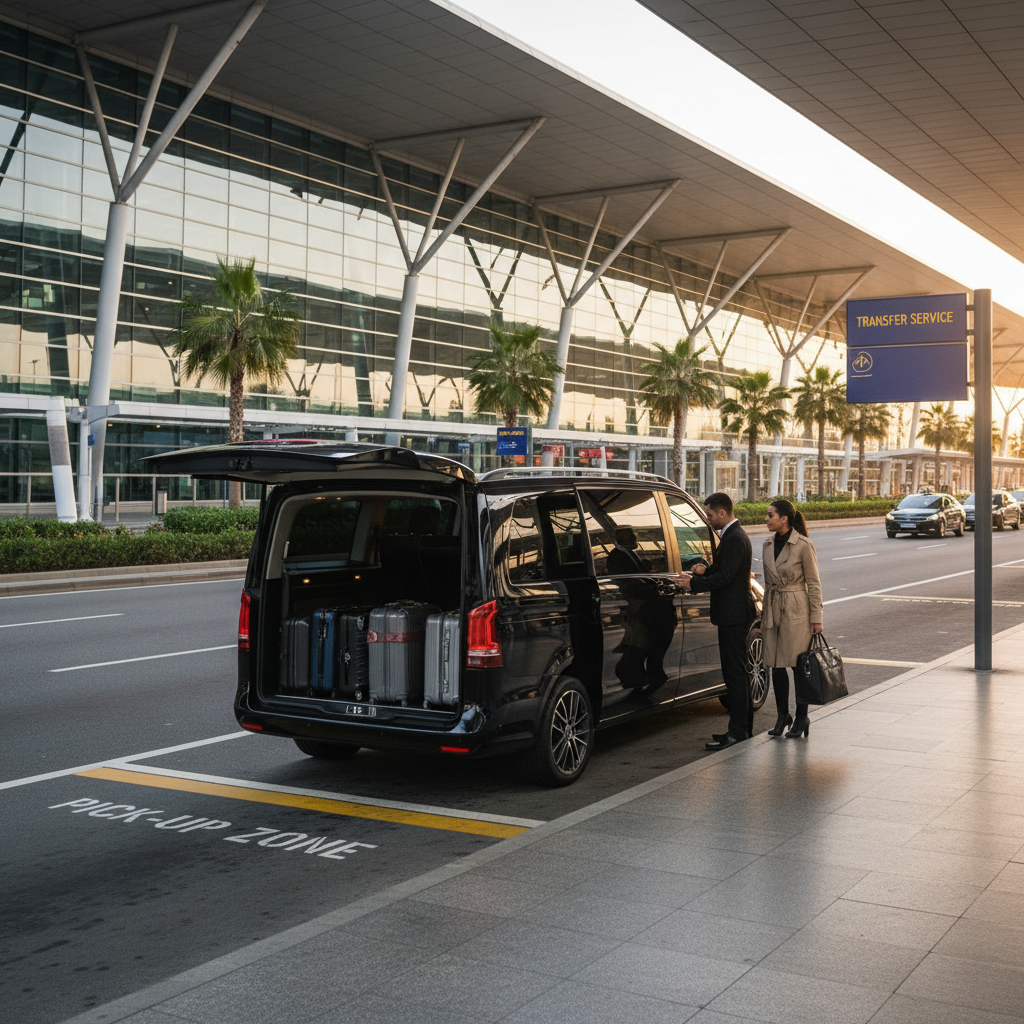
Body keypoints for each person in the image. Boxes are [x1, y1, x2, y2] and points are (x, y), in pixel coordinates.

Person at [677, 492, 756, 750]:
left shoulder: (734, 538)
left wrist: (694, 582)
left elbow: (725, 579)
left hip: (734, 616)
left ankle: (738, 732)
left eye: (710, 515)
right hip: (733, 614)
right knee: (737, 674)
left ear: (723, 513)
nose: (708, 520)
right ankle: (740, 729)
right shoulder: (733, 536)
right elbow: (725, 573)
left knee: (734, 675)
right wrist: (705, 570)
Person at [761, 498, 823, 739]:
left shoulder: (803, 545)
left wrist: (816, 618)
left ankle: (801, 716)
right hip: (773, 607)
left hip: (797, 609)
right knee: (776, 665)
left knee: (798, 666)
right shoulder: (767, 544)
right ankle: (782, 716)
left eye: (770, 515)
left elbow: (814, 583)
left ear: (784, 519)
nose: (766, 519)